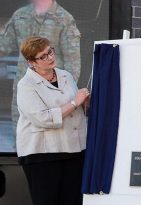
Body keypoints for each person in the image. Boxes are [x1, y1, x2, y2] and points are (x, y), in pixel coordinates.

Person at [16, 36, 88, 205]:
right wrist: (74, 102)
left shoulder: (66, 75)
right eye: (43, 56)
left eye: (50, 51)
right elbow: (43, 118)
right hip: (42, 155)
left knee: (74, 201)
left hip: (74, 150)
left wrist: (84, 103)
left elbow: (75, 109)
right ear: (31, 62)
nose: (50, 57)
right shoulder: (26, 85)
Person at [0, 0, 81, 137]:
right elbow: (3, 47)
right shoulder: (20, 15)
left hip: (53, 93)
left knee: (52, 137)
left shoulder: (64, 19)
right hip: (25, 90)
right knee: (23, 138)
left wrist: (69, 95)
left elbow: (73, 61)